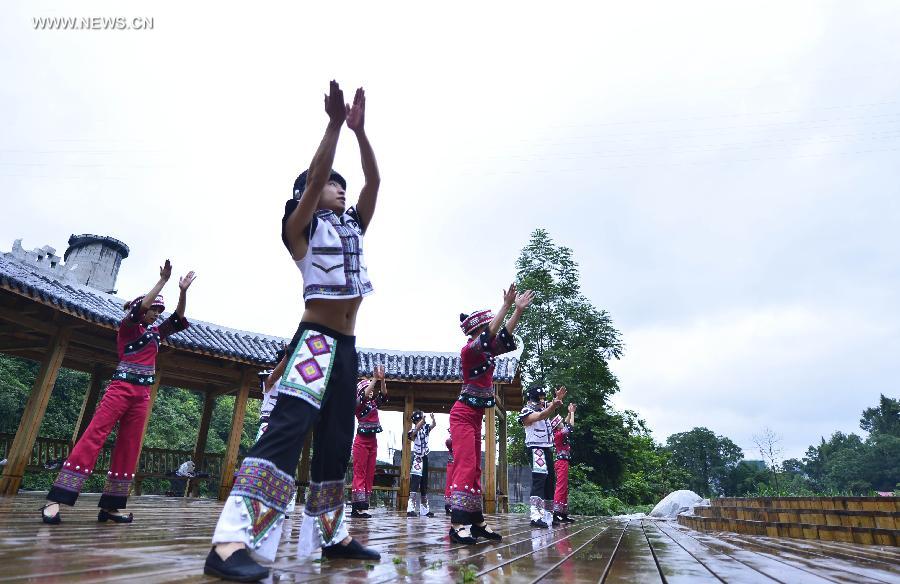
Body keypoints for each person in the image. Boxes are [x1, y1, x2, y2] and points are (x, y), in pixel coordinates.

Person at [205, 80, 382, 582]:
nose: (340, 187)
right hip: (316, 343)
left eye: (341, 185)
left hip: (346, 347)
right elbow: (319, 174)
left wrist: (361, 133)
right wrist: (332, 127)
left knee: (336, 441)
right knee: (286, 432)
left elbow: (373, 183)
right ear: (306, 193)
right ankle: (230, 542)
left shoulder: (352, 226)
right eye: (331, 183)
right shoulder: (299, 227)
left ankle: (331, 535)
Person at [41, 261, 194, 524]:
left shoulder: (156, 334)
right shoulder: (127, 328)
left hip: (142, 394)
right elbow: (141, 308)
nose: (156, 314)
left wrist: (182, 292)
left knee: (129, 447)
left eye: (158, 311)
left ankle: (110, 507)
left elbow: (178, 319)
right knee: (93, 437)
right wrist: (162, 282)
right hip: (120, 388)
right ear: (140, 311)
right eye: (153, 310)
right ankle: (55, 499)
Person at [449, 284, 534, 544]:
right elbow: (491, 333)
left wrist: (517, 311)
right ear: (476, 332)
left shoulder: (486, 351)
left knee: (474, 467)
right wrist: (506, 305)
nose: (492, 330)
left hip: (473, 417)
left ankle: (476, 522)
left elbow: (505, 334)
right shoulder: (469, 351)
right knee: (465, 466)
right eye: (486, 328)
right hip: (462, 415)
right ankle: (457, 525)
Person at [519, 383, 566, 528]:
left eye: (543, 398)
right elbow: (541, 415)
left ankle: (548, 516)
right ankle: (535, 516)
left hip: (547, 448)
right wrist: (553, 405)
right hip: (535, 448)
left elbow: (549, 408)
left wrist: (556, 399)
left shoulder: (543, 407)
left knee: (549, 480)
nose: (542, 400)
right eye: (539, 398)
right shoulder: (526, 411)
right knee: (539, 479)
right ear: (532, 399)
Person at [351, 364, 386, 518]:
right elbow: (364, 395)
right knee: (360, 472)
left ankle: (363, 507)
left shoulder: (373, 404)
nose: (372, 391)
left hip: (373, 441)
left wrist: (382, 380)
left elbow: (384, 395)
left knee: (369, 474)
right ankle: (356, 508)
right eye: (369, 389)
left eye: (372, 389)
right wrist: (374, 379)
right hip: (361, 441)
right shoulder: (358, 404)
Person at [406, 410, 435, 518]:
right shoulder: (412, 431)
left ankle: (424, 510)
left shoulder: (426, 428)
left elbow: (433, 425)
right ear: (417, 419)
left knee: (424, 484)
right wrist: (422, 421)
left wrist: (433, 419)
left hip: (425, 457)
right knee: (415, 483)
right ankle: (410, 508)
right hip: (417, 459)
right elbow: (414, 432)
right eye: (421, 418)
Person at [553, 403, 576, 524]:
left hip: (563, 462)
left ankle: (562, 513)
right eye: (561, 422)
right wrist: (572, 413)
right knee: (561, 487)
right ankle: (556, 513)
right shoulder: (559, 434)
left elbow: (566, 422)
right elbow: (571, 426)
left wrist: (569, 412)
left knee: (564, 488)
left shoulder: (559, 432)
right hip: (561, 462)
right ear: (558, 426)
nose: (563, 422)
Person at [444, 435, 454, 515]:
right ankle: (448, 505)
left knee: (455, 485)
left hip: (458, 464)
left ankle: (452, 505)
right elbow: (448, 442)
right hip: (452, 464)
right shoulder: (450, 441)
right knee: (449, 484)